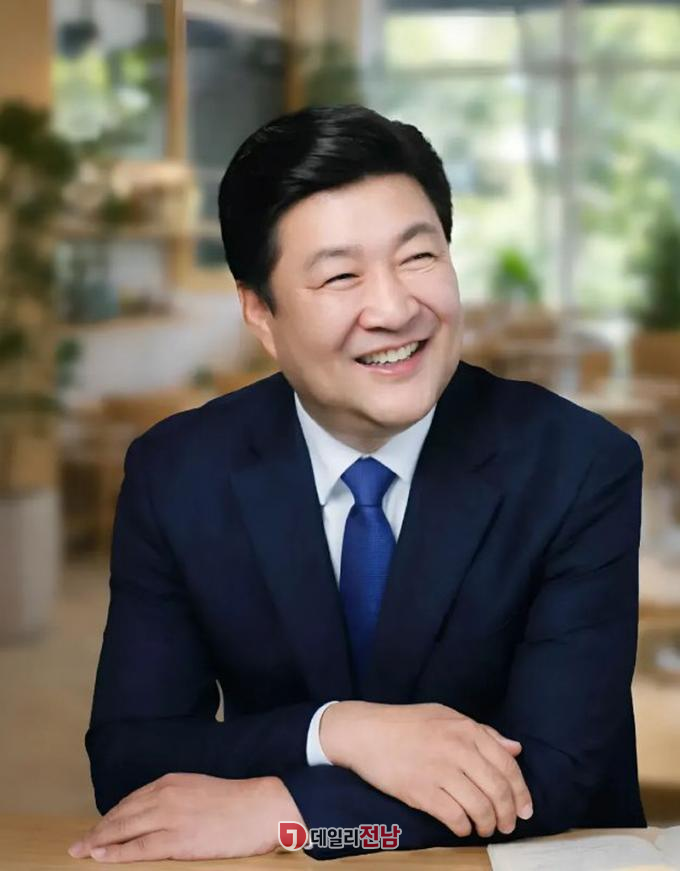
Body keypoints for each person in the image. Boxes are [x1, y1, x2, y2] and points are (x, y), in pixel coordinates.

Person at [69, 105, 645, 863]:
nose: (396, 308)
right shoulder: (178, 472)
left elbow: (555, 777)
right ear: (260, 313)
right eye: (342, 275)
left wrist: (293, 815)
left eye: (418, 257)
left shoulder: (579, 464)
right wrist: (337, 730)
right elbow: (132, 760)